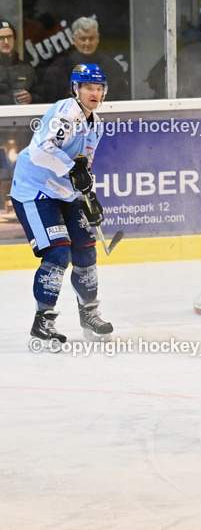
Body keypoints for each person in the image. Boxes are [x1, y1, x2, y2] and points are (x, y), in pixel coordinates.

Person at [10, 64, 112, 347]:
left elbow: (83, 168)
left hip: (65, 193)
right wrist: (72, 168)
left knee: (86, 250)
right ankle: (43, 321)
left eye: (99, 88)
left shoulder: (96, 124)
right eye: (88, 87)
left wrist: (89, 198)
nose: (94, 93)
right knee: (58, 253)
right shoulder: (65, 114)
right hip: (35, 190)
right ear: (76, 89)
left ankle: (89, 314)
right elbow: (41, 150)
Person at [41, 17, 130, 102]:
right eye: (83, 39)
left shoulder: (112, 67)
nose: (87, 43)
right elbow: (50, 102)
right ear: (74, 40)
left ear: (97, 39)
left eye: (91, 38)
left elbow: (122, 99)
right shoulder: (58, 69)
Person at [0, 19, 43, 105]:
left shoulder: (26, 68)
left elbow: (42, 96)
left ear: (14, 39)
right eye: (1, 38)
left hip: (23, 112)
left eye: (9, 37)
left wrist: (31, 98)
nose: (6, 42)